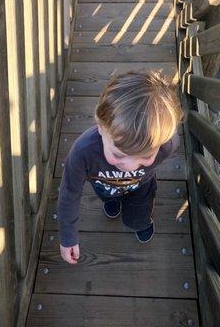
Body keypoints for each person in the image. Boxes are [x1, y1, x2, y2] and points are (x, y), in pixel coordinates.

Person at [58, 69, 183, 265]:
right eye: (118, 155)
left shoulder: (167, 145)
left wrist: (144, 164)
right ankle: (113, 201)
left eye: (146, 156)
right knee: (109, 199)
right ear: (100, 127)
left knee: (137, 217)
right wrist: (67, 236)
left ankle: (141, 222)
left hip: (141, 188)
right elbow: (69, 193)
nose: (130, 167)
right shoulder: (83, 152)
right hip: (105, 188)